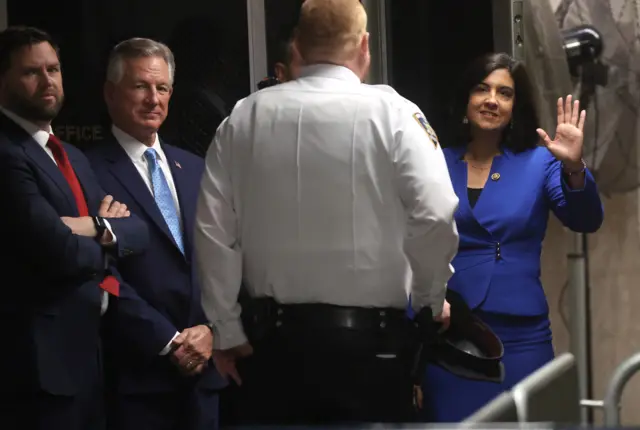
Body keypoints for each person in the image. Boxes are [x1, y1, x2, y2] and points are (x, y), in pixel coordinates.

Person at [195, 0, 459, 425]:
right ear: (365, 46)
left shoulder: (245, 117)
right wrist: (429, 301)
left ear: (296, 46)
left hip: (272, 347)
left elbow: (213, 230)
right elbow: (436, 213)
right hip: (372, 350)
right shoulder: (395, 114)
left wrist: (225, 329)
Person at [418, 52, 604, 422]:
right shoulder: (432, 159)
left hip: (523, 337)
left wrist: (574, 167)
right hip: (451, 335)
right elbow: (410, 240)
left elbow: (585, 219)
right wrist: (419, 311)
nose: (491, 99)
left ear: (515, 107)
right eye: (481, 89)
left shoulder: (540, 162)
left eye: (504, 93)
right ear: (466, 99)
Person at [0, 26, 151, 430]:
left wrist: (88, 226)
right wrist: (107, 234)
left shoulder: (73, 157)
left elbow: (138, 233)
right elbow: (57, 251)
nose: (47, 81)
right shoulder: (7, 153)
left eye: (54, 69)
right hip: (37, 369)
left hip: (91, 355)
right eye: (32, 72)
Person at [84, 38, 226, 430]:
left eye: (162, 88)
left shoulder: (196, 168)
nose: (153, 99)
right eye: (140, 86)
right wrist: (167, 340)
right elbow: (97, 273)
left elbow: (224, 256)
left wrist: (212, 330)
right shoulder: (87, 172)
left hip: (205, 378)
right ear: (111, 93)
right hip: (136, 378)